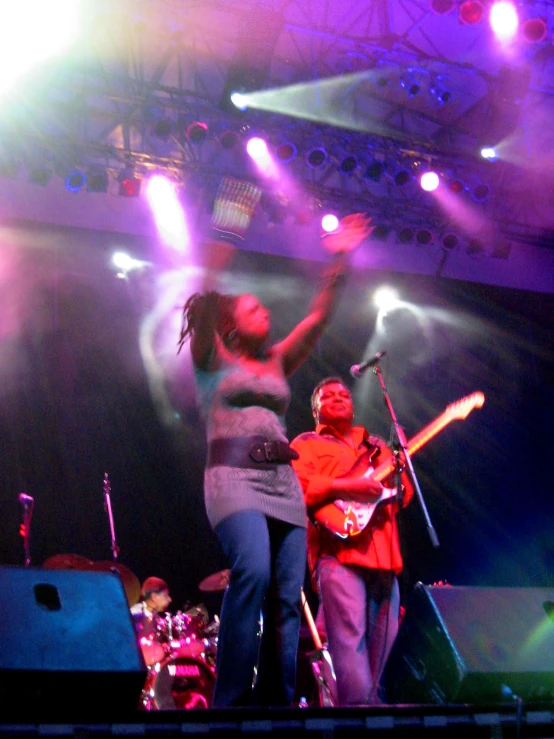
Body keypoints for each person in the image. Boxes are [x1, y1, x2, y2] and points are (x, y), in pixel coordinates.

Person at [177, 191, 371, 707]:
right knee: (254, 571)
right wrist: (232, 225)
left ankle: (279, 704)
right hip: (233, 479)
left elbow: (320, 315)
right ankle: (230, 705)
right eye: (253, 308)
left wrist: (341, 256)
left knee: (288, 598)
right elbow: (204, 287)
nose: (265, 312)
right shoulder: (211, 358)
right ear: (230, 324)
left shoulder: (278, 361)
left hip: (283, 485)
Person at [290, 377, 414, 706]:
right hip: (338, 555)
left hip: (385, 558)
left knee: (379, 667)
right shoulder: (305, 444)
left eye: (344, 394)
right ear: (315, 409)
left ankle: (368, 717)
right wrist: (350, 488)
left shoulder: (376, 447)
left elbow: (405, 495)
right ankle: (359, 721)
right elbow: (301, 489)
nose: (338, 398)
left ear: (353, 404)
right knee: (350, 653)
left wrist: (402, 466)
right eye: (327, 396)